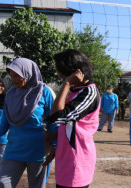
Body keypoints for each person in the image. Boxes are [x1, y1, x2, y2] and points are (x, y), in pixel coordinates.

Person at [0, 58, 58, 188]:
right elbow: (4, 123)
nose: (14, 79)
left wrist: (54, 146)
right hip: (14, 148)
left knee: (36, 185)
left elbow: (54, 122)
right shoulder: (11, 94)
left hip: (39, 149)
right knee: (2, 183)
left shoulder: (44, 92)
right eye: (12, 76)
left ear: (28, 73)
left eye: (18, 75)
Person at [44, 49, 100, 188]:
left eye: (62, 72)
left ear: (74, 71)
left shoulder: (89, 93)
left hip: (77, 158)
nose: (60, 75)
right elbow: (71, 122)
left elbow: (56, 117)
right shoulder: (76, 91)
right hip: (66, 155)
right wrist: (57, 134)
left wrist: (67, 84)